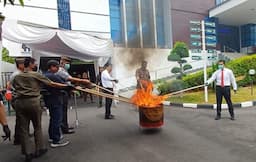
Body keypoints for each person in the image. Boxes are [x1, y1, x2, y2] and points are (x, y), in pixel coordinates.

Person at [12, 57, 69, 162]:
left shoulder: (16, 76)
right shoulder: (36, 75)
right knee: (37, 126)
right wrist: (66, 86)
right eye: (34, 64)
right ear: (30, 64)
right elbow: (51, 83)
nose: (35, 65)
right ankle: (40, 148)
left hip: (20, 102)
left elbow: (13, 88)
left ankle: (27, 153)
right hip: (33, 101)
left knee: (23, 128)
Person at [56, 56, 90, 134]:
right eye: (67, 63)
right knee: (63, 111)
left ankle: (65, 126)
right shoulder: (60, 70)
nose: (68, 64)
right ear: (62, 62)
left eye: (68, 63)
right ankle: (64, 128)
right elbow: (69, 79)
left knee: (64, 111)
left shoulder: (64, 70)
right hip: (62, 92)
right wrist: (83, 81)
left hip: (65, 91)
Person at [44, 60, 70, 148]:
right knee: (57, 120)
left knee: (53, 119)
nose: (58, 69)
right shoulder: (52, 76)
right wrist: (71, 87)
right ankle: (56, 140)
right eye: (57, 67)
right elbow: (64, 85)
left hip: (50, 100)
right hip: (55, 100)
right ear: (51, 67)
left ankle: (52, 136)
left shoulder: (45, 75)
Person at [7, 57, 25, 145]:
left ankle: (21, 136)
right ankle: (18, 138)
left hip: (16, 98)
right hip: (17, 98)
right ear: (20, 65)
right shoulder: (17, 74)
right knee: (21, 119)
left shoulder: (18, 73)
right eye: (24, 64)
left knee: (21, 118)